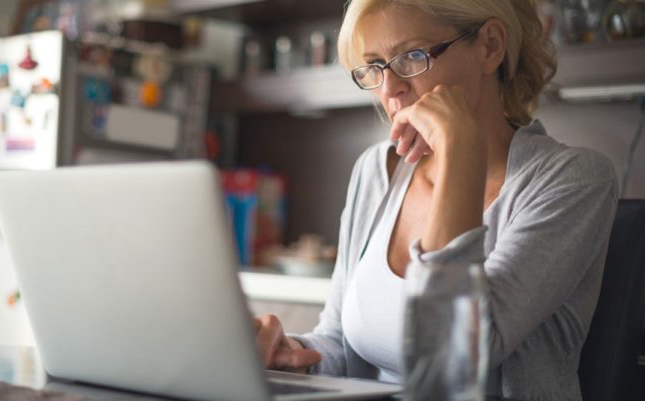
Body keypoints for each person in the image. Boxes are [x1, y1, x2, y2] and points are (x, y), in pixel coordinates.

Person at [252, 0, 619, 399]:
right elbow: (340, 340)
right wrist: (295, 353)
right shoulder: (377, 170)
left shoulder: (573, 179)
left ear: (490, 46)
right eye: (375, 66)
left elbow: (455, 358)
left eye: (411, 56)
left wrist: (460, 150)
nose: (390, 88)